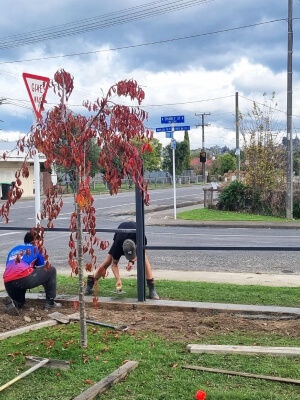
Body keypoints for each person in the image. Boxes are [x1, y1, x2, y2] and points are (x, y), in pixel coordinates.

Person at [85, 221, 159, 299]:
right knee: (107, 262)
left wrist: (132, 261)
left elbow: (141, 252)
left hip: (135, 230)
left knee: (144, 258)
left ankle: (152, 289)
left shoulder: (140, 238)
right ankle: (90, 284)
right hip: (120, 234)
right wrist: (118, 279)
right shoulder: (118, 246)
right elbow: (114, 265)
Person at [3, 230, 61, 314]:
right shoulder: (35, 248)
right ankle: (50, 302)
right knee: (51, 270)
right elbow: (43, 268)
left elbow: (10, 267)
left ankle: (14, 303)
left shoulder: (14, 249)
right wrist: (47, 289)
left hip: (8, 281)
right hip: (23, 278)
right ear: (35, 241)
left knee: (20, 303)